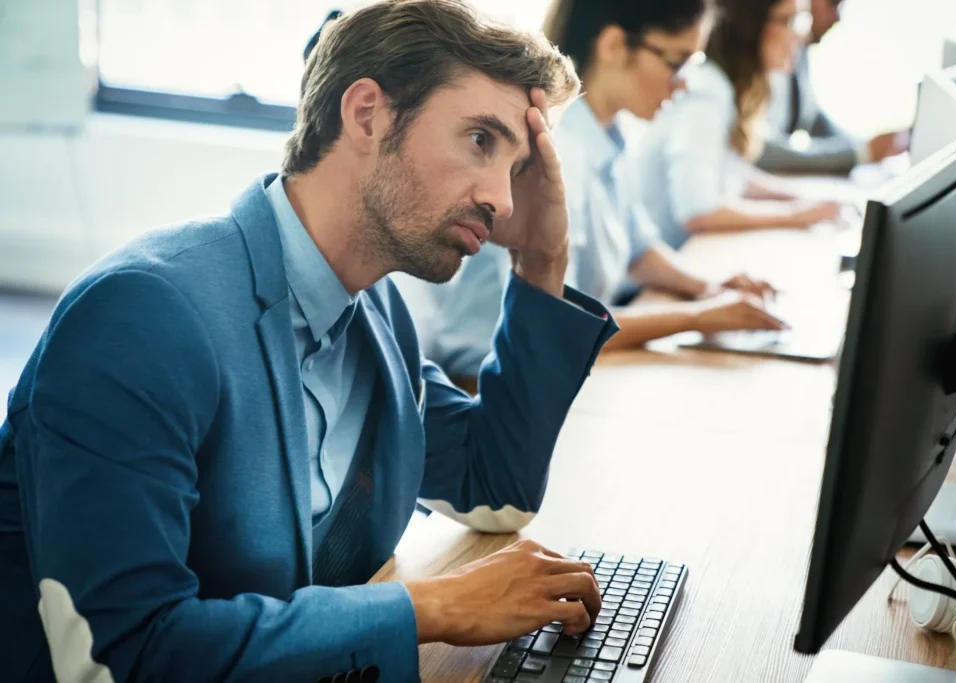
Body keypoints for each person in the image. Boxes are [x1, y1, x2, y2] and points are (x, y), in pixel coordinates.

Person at [0, 2, 617, 681]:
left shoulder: (373, 312)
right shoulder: (141, 316)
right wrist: (424, 608)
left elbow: (494, 489)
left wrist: (542, 259)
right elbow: (126, 655)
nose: (501, 198)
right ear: (365, 115)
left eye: (517, 167)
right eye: (480, 141)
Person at [432, 0, 785, 389]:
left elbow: (638, 248)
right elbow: (561, 320)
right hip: (487, 385)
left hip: (550, 368)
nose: (684, 82)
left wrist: (708, 287)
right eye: (677, 61)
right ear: (615, 45)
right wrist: (699, 317)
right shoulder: (554, 154)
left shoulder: (610, 136)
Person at [634, 0, 850, 243]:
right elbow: (698, 211)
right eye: (790, 21)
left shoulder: (725, 88)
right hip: (664, 267)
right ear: (751, 27)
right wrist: (797, 214)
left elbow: (733, 174)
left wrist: (799, 198)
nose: (801, 35)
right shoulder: (705, 95)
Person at [757, 0, 909, 175]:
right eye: (833, 4)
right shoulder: (750, 62)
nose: (837, 17)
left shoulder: (796, 52)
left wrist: (867, 147)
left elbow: (811, 116)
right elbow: (757, 147)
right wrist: (859, 154)